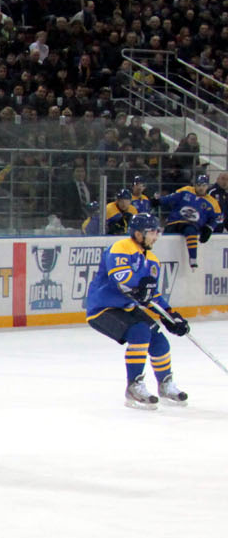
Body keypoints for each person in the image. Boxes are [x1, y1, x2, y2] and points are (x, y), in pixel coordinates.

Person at [83, 211, 190, 409]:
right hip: (102, 308)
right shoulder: (121, 247)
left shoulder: (153, 261)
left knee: (159, 340)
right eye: (152, 232)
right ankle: (133, 386)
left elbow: (151, 295)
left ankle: (165, 384)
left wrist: (170, 315)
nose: (156, 236)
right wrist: (140, 286)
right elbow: (121, 278)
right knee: (140, 332)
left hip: (127, 307)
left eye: (157, 232)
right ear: (138, 233)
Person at [155, 174, 220, 271]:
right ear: (195, 185)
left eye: (203, 185)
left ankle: (193, 258)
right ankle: (159, 258)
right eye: (198, 185)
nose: (201, 188)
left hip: (192, 224)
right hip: (174, 221)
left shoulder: (212, 202)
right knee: (165, 238)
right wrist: (158, 201)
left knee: (190, 231)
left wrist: (209, 228)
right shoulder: (186, 190)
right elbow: (172, 197)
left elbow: (218, 217)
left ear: (207, 186)